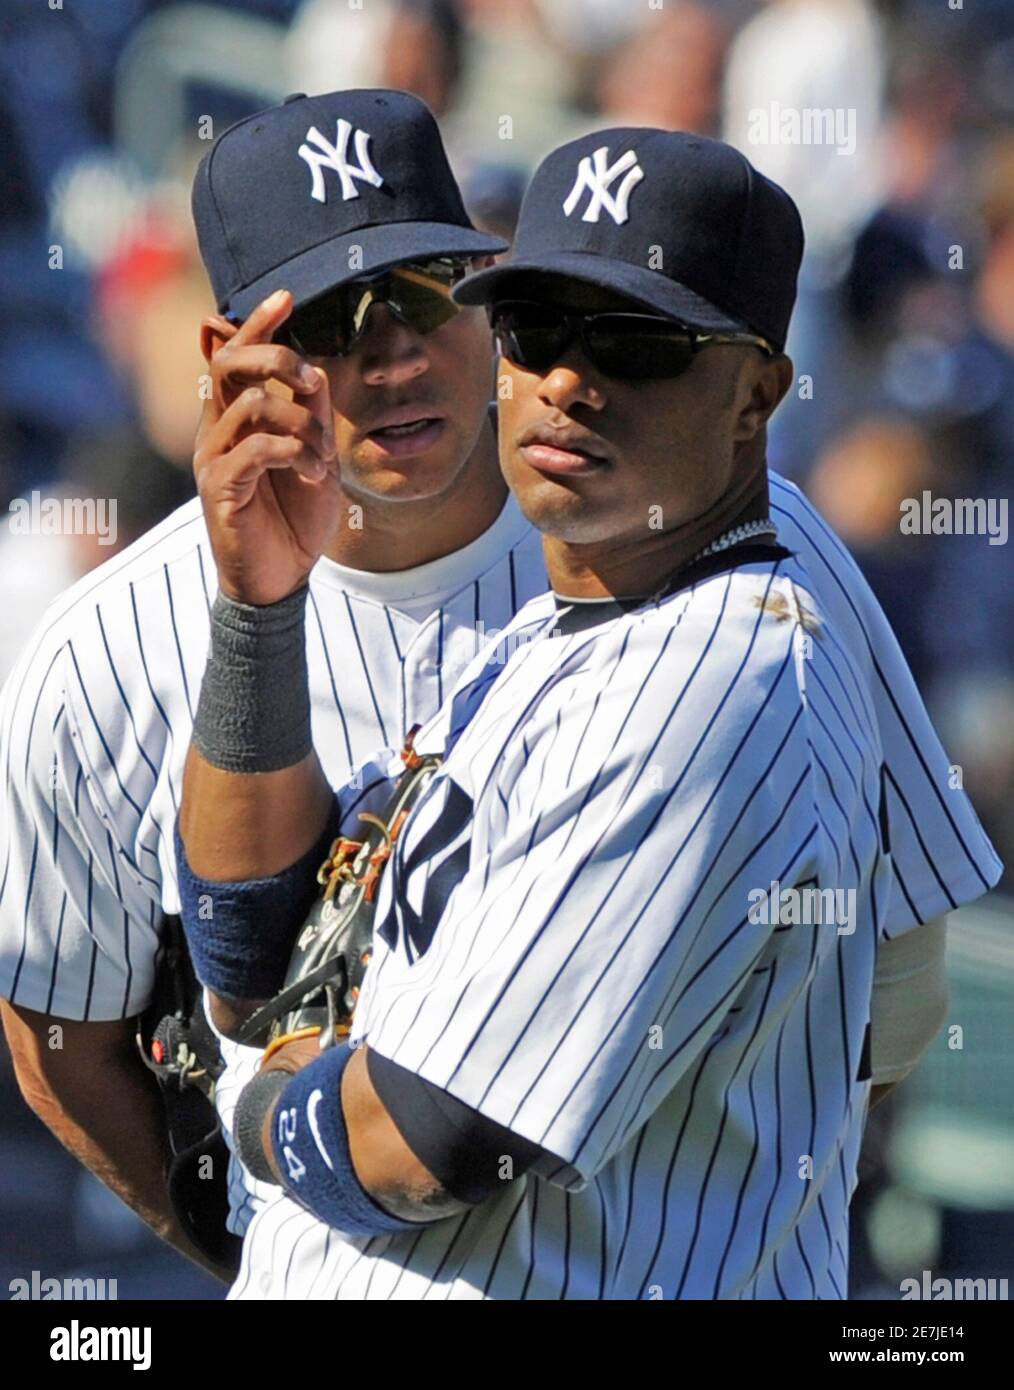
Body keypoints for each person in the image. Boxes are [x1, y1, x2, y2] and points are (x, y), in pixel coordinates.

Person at [178, 129, 1001, 1299]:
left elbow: (425, 1140)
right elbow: (256, 964)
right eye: (539, 327)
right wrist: (260, 608)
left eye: (634, 340)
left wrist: (259, 1101)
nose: (570, 378)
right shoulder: (566, 605)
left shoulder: (729, 648)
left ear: (759, 393)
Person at [0, 87, 531, 1279]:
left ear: (489, 287)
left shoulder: (680, 545)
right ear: (229, 359)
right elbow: (58, 1036)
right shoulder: (102, 658)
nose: (393, 353)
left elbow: (893, 956)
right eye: (335, 318)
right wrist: (247, 1248)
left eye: (426, 288)